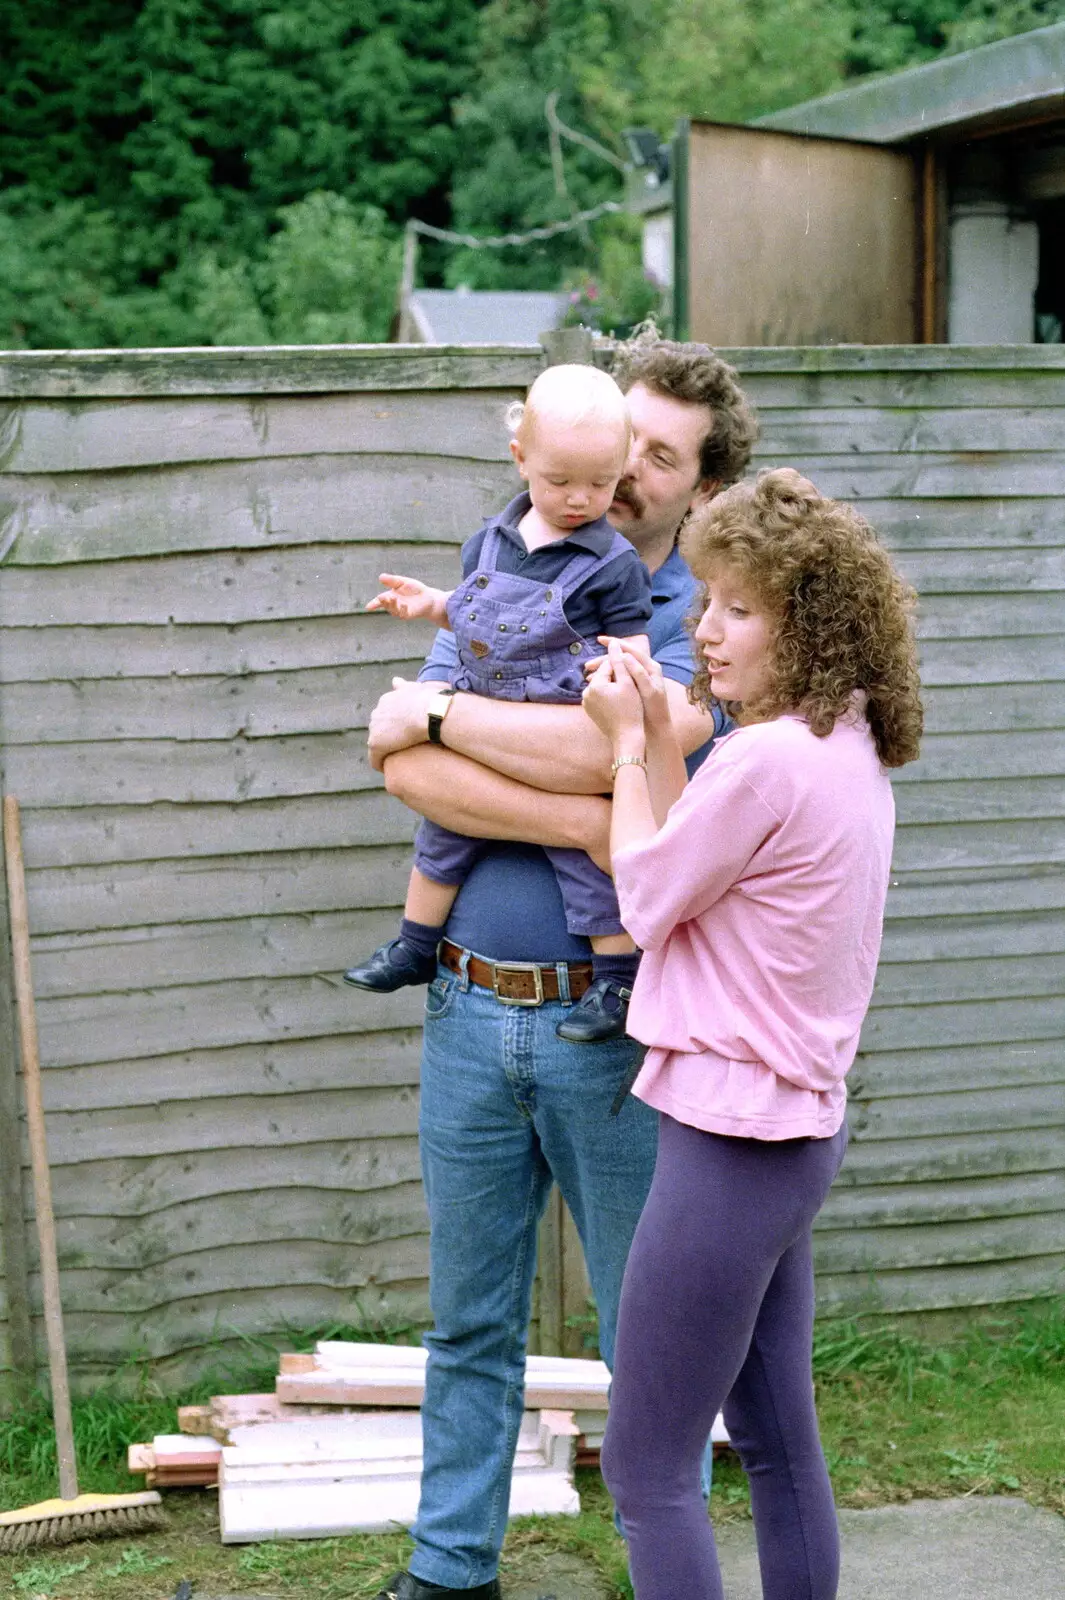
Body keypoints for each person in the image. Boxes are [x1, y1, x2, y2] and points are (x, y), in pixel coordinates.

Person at [365, 330, 758, 1600]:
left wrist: (452, 718)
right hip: (470, 1004)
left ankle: (669, 1578)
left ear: (700, 486)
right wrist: (578, 791)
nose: (628, 471)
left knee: (655, 1336)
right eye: (619, 439)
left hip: (621, 1031)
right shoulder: (504, 563)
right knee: (467, 1322)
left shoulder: (703, 625)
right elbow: (405, 758)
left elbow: (635, 757)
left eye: (661, 455)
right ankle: (449, 1569)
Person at [583, 468, 923, 1600]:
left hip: (729, 1143)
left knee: (647, 1467)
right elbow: (694, 857)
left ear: (807, 622)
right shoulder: (843, 745)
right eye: (705, 598)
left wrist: (626, 746)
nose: (705, 627)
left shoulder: (768, 758)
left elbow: (643, 893)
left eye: (738, 607)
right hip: (789, 1143)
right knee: (777, 1444)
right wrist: (660, 739)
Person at [344, 363, 653, 1042]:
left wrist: (625, 665)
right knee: (443, 839)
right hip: (486, 718)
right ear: (521, 461)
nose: (579, 499)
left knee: (586, 871)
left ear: (620, 469)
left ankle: (616, 982)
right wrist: (431, 606)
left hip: (555, 726)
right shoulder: (488, 541)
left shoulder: (614, 563)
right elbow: (481, 615)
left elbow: (631, 645)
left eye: (600, 484)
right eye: (559, 482)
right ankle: (415, 945)